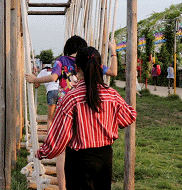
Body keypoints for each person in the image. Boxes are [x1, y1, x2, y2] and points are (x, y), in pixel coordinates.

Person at [35, 47, 137, 189]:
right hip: (105, 158)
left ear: (76, 68)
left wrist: (42, 152)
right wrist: (111, 121)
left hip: (79, 161)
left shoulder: (71, 98)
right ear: (101, 67)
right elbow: (129, 116)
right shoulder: (112, 95)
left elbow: (61, 135)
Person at [25, 35, 118, 190]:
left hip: (66, 107)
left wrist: (35, 80)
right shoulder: (91, 60)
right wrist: (113, 51)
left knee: (62, 153)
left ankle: (63, 187)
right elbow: (114, 72)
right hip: (87, 109)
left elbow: (54, 77)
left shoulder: (61, 61)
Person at [34, 64, 59, 130]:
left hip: (51, 92)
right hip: (60, 92)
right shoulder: (57, 70)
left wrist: (34, 75)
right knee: (58, 116)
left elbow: (36, 85)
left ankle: (50, 136)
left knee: (50, 118)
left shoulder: (43, 72)